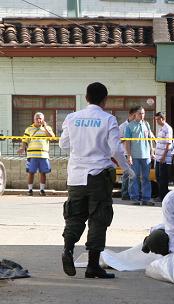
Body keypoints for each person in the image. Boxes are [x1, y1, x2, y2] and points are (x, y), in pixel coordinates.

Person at [59, 82, 135, 279]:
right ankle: (93, 265)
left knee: (75, 216)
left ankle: (67, 250)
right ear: (104, 100)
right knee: (98, 219)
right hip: (98, 176)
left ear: (86, 98)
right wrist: (127, 169)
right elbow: (116, 150)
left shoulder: (71, 118)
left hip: (76, 176)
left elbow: (63, 144)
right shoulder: (108, 119)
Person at [17, 112, 55, 196]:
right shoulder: (29, 129)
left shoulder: (47, 128)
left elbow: (52, 138)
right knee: (31, 172)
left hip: (43, 155)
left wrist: (45, 128)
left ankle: (42, 190)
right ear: (34, 119)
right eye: (37, 118)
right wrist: (22, 148)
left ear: (43, 119)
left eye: (40, 118)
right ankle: (30, 190)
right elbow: (25, 140)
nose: (39, 120)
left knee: (43, 172)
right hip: (32, 155)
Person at [125, 106, 155, 206]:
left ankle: (146, 198)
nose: (142, 115)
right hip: (134, 156)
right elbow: (127, 143)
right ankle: (134, 198)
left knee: (146, 178)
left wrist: (151, 152)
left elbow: (150, 139)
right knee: (134, 177)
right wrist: (129, 155)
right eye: (140, 113)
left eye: (143, 113)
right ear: (135, 114)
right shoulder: (129, 126)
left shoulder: (146, 124)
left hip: (146, 156)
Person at [118, 107, 137, 200]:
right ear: (130, 115)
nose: (135, 117)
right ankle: (125, 194)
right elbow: (117, 140)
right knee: (126, 174)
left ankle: (133, 193)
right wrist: (127, 138)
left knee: (135, 174)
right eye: (134, 115)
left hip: (136, 153)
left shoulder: (137, 125)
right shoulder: (122, 126)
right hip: (126, 153)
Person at [154, 112, 173, 203]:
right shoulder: (161, 129)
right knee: (158, 177)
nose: (157, 121)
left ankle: (163, 197)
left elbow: (168, 144)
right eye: (156, 119)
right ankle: (160, 195)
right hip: (158, 157)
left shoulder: (167, 128)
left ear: (162, 118)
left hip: (164, 159)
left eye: (158, 119)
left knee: (163, 178)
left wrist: (163, 157)